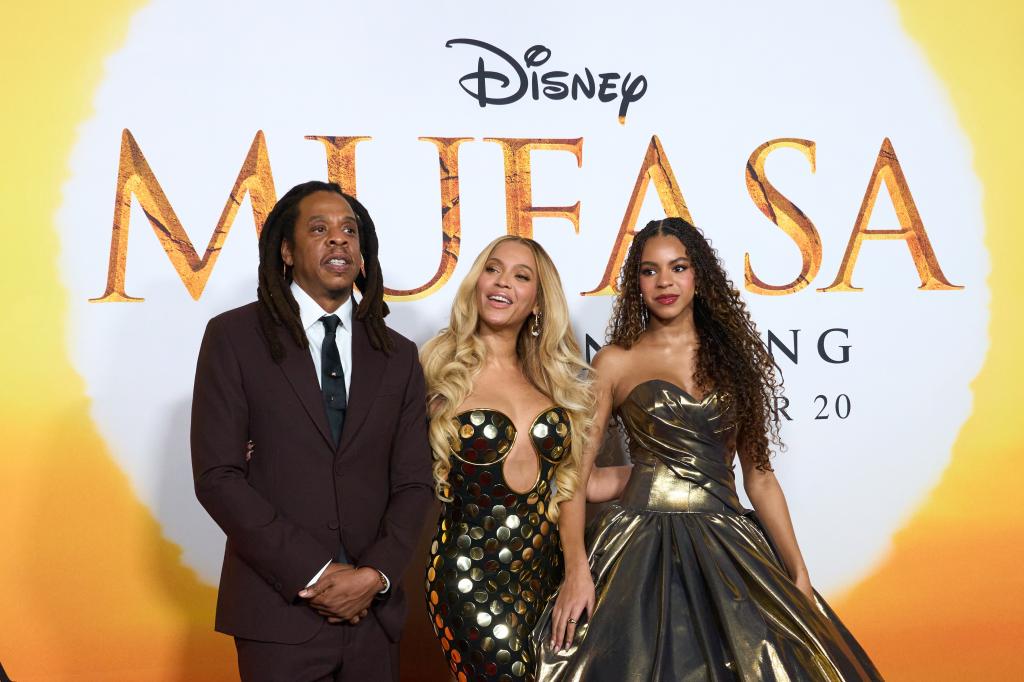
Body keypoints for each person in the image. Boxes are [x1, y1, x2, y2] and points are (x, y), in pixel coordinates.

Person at [534, 218, 882, 681]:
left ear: (699, 277)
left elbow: (759, 477)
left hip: (728, 546)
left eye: (678, 267)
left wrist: (798, 572)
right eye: (649, 270)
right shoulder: (616, 361)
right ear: (636, 282)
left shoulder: (736, 360)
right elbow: (574, 476)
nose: (664, 282)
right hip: (639, 550)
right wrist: (577, 569)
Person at [190, 180, 432, 681]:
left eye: (349, 231)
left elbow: (414, 483)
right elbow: (218, 476)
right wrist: (318, 574)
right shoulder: (233, 337)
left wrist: (373, 576)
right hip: (277, 612)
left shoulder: (399, 355)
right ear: (285, 250)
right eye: (319, 229)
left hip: (372, 615)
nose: (338, 240)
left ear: (363, 255)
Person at [420, 236, 595, 682]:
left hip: (546, 576)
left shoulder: (552, 381)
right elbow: (371, 451)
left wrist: (671, 477)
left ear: (538, 301)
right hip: (469, 576)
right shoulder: (437, 368)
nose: (502, 283)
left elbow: (577, 484)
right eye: (493, 269)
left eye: (521, 276)